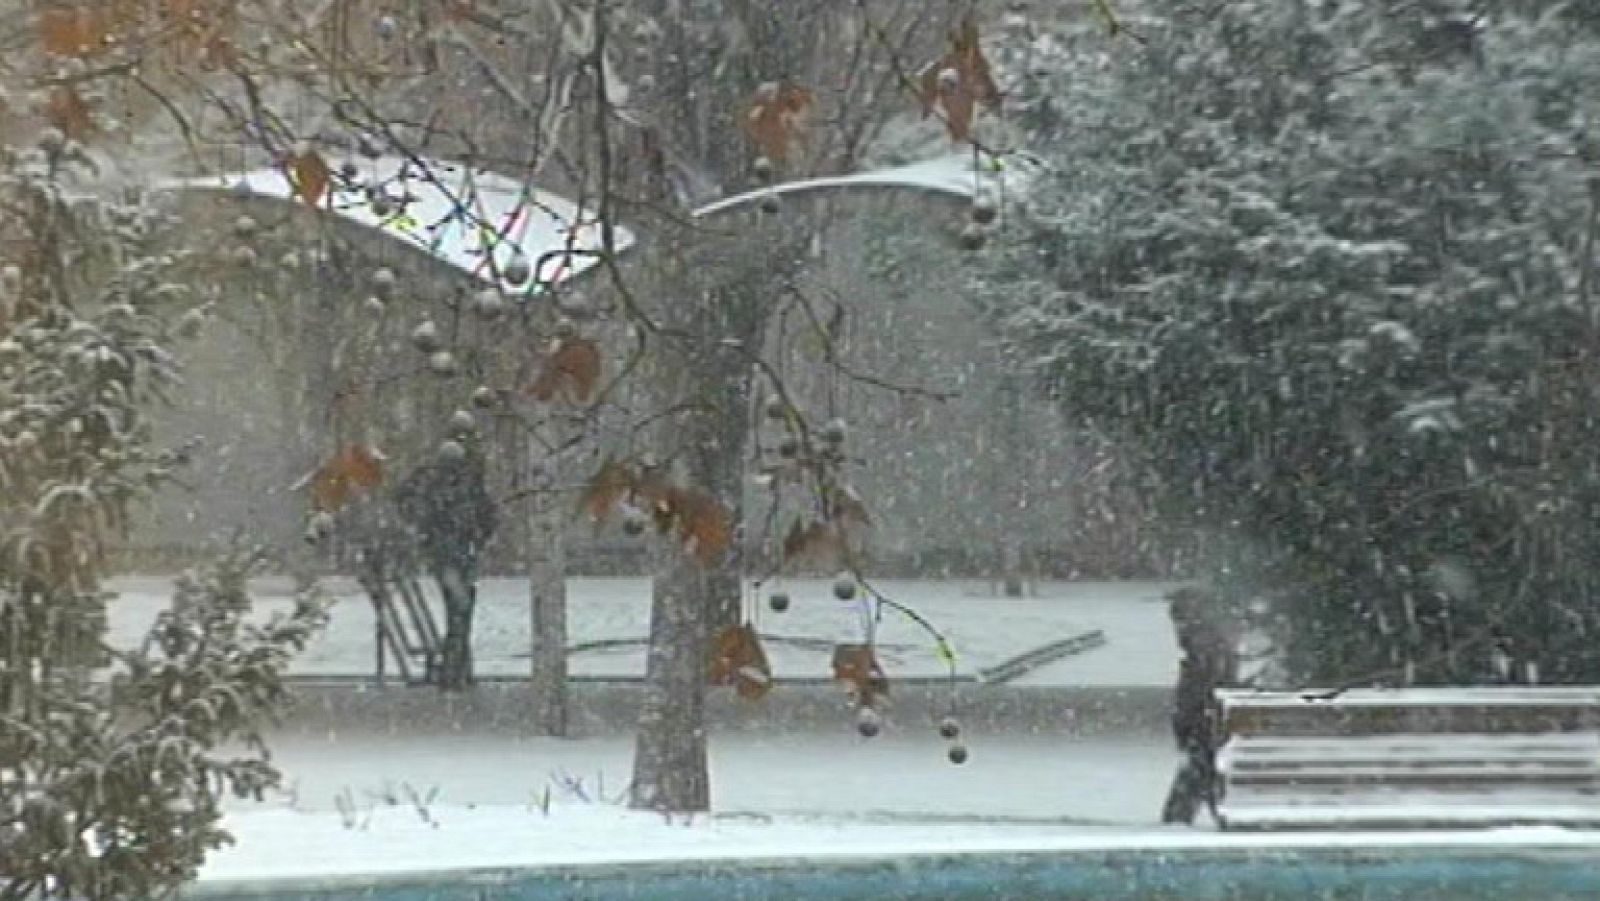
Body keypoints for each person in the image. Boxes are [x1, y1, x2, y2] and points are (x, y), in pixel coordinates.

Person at [1161, 585, 1238, 824]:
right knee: (1200, 770)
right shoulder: (1213, 642)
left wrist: (1184, 721)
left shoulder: (1202, 645)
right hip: (1206, 720)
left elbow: (1198, 687)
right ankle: (1185, 814)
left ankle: (1183, 816)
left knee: (1200, 770)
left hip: (1203, 720)